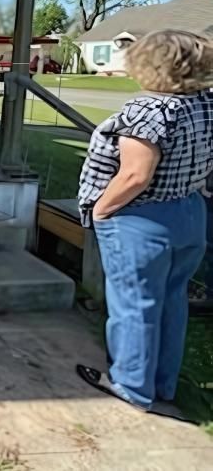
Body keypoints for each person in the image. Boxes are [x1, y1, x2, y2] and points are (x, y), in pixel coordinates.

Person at [76, 29, 213, 415]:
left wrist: (102, 208)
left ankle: (132, 387)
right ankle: (163, 384)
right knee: (172, 300)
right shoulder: (206, 103)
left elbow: (136, 175)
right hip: (188, 213)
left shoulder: (148, 111)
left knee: (135, 305)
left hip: (142, 218)